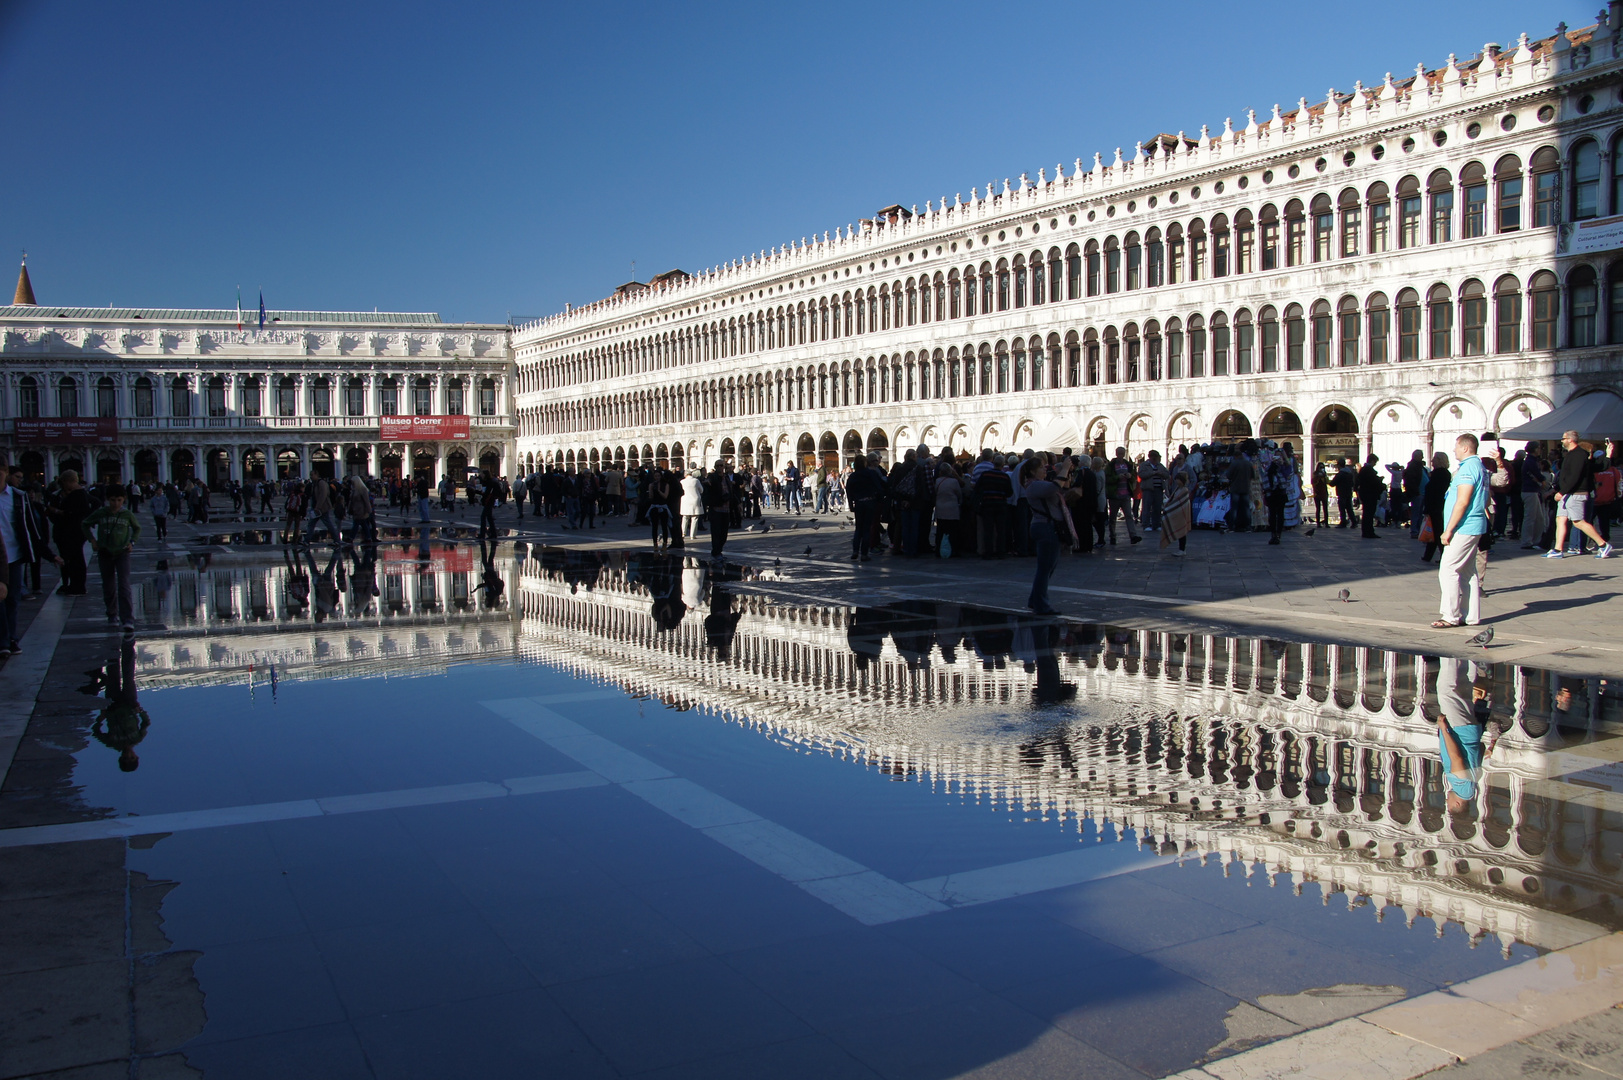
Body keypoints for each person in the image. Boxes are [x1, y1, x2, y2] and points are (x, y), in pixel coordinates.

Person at [1, 465, 59, 653]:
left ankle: (11, 638)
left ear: (5, 473)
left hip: (14, 555)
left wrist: (49, 555)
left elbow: (31, 529)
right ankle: (3, 641)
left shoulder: (18, 497)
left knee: (12, 600)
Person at [1433, 434, 1489, 629]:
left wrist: (1448, 529)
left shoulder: (1468, 468)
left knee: (1448, 569)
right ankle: (1470, 615)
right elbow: (1487, 500)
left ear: (1465, 448)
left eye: (1456, 447)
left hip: (1464, 526)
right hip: (1474, 525)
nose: (1454, 450)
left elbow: (1463, 500)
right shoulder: (1480, 467)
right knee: (1468, 571)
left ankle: (1450, 615)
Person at [82, 488, 141, 631]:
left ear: (124, 500)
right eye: (113, 500)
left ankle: (127, 618)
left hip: (122, 552)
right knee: (108, 585)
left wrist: (132, 542)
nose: (116, 503)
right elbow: (85, 524)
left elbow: (137, 528)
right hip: (105, 552)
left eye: (119, 500)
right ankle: (112, 613)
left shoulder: (126, 514)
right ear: (108, 500)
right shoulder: (101, 513)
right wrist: (92, 540)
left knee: (124, 585)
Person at [1549, 429, 1613, 559]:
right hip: (1569, 493)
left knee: (1578, 521)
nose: (1562, 441)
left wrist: (1562, 492)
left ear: (1570, 440)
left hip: (1575, 493)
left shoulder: (1579, 455)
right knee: (1560, 518)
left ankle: (1603, 544)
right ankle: (1558, 549)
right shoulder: (1571, 455)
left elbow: (1575, 476)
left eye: (1563, 438)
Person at [1023, 459, 1074, 615]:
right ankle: (1041, 604)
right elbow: (1054, 487)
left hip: (1045, 527)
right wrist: (1064, 468)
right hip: (1046, 527)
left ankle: (1036, 599)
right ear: (1032, 471)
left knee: (1047, 568)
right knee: (1045, 569)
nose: (1045, 470)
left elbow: (1062, 486)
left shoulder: (1037, 484)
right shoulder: (1035, 485)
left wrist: (1066, 472)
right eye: (1041, 467)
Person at [48, 470, 91, 595]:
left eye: (64, 483)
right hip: (75, 531)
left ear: (68, 481)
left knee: (75, 560)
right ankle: (75, 584)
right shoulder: (79, 494)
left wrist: (56, 511)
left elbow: (69, 513)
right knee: (75, 559)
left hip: (73, 532)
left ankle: (77, 586)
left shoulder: (77, 495)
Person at [847, 452, 886, 562]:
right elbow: (879, 487)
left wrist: (851, 505)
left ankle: (855, 551)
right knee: (867, 529)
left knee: (858, 528)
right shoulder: (870, 474)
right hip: (869, 502)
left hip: (858, 503)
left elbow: (849, 491)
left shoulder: (852, 476)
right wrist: (879, 499)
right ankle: (864, 554)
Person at [1108, 447, 1142, 543]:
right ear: (1116, 453)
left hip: (1126, 494)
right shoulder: (1111, 465)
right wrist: (1117, 477)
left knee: (1129, 516)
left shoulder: (1128, 465)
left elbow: (1133, 478)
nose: (1121, 455)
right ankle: (1112, 536)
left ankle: (1133, 536)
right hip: (1115, 495)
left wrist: (1130, 477)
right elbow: (1108, 479)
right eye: (1119, 453)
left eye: (1122, 453)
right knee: (1113, 517)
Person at [702, 460, 732, 561]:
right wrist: (708, 483)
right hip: (716, 509)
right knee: (716, 532)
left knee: (724, 534)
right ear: (715, 467)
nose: (720, 467)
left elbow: (730, 491)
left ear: (724, 467)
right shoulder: (713, 476)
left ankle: (718, 551)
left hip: (726, 509)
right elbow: (709, 482)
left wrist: (738, 503)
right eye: (718, 466)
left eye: (721, 466)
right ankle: (716, 553)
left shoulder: (726, 478)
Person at [1160, 471, 1193, 556]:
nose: (1176, 481)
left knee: (1182, 530)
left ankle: (1182, 549)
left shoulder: (1184, 490)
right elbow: (1173, 500)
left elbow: (1180, 502)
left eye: (1178, 479)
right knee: (1179, 529)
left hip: (1182, 513)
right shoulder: (1177, 489)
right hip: (1177, 513)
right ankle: (1180, 549)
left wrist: (1170, 507)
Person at [1357, 454, 1383, 539]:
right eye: (1375, 462)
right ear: (1372, 461)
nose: (1375, 464)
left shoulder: (1363, 470)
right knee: (1369, 513)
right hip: (1369, 494)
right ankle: (1369, 531)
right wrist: (1380, 481)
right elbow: (1372, 482)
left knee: (1367, 513)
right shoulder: (1368, 470)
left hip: (1365, 493)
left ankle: (1366, 531)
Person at [1331, 459, 1357, 527]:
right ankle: (1354, 522)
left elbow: (1333, 483)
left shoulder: (1340, 474)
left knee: (1342, 508)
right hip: (1348, 492)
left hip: (1342, 493)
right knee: (1349, 508)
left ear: (1339, 465)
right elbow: (1352, 483)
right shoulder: (1349, 473)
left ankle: (1343, 522)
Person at [478, 470, 499, 538]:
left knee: (483, 517)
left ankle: (482, 534)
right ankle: (493, 534)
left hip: (489, 501)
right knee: (489, 518)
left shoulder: (489, 482)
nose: (481, 475)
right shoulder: (490, 481)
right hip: (490, 500)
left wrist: (482, 497)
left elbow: (487, 492)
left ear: (485, 475)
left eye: (482, 474)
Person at [1311, 461, 1331, 526]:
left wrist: (1324, 476)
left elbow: (1327, 482)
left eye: (1323, 467)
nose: (1322, 468)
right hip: (1317, 493)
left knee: (1325, 509)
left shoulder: (1324, 474)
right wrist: (1318, 477)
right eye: (1321, 467)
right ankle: (1318, 523)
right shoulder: (1315, 474)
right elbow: (1313, 482)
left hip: (1324, 493)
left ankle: (1326, 522)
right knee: (1318, 509)